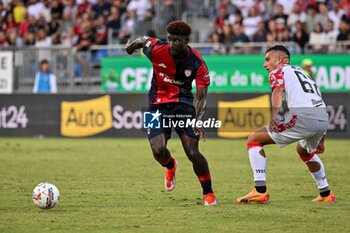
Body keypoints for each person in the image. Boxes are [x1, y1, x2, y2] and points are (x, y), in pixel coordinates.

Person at [125, 20, 217, 206]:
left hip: (182, 106)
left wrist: (197, 120)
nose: (172, 43)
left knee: (192, 152)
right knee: (157, 150)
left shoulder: (198, 63)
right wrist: (131, 46)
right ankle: (171, 165)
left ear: (186, 41)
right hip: (155, 105)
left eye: (177, 40)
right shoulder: (157, 49)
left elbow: (201, 98)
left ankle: (208, 194)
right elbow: (144, 40)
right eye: (170, 39)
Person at [236, 45, 336, 204]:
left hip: (304, 117)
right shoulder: (305, 74)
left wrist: (274, 116)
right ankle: (326, 193)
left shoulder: (278, 71)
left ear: (280, 59)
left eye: (268, 59)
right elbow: (319, 101)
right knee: (303, 150)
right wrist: (321, 138)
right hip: (322, 118)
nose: (265, 64)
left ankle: (260, 191)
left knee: (254, 139)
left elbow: (277, 91)